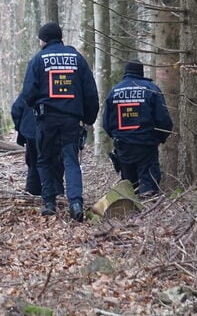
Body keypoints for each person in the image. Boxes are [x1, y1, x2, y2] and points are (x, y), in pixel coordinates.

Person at [21, 22, 99, 221]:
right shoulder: (77, 59)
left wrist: (37, 105)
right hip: (72, 120)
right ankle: (75, 203)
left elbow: (28, 93)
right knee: (71, 160)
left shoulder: (38, 60)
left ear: (43, 40)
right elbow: (90, 92)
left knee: (44, 159)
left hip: (46, 119)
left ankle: (49, 202)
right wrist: (89, 118)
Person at [102, 60, 173, 196]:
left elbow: (106, 124)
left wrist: (119, 137)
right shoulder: (151, 89)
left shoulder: (115, 91)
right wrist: (158, 139)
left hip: (123, 147)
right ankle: (149, 212)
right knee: (149, 186)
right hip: (146, 145)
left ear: (125, 72)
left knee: (129, 186)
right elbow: (164, 121)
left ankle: (131, 212)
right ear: (141, 72)